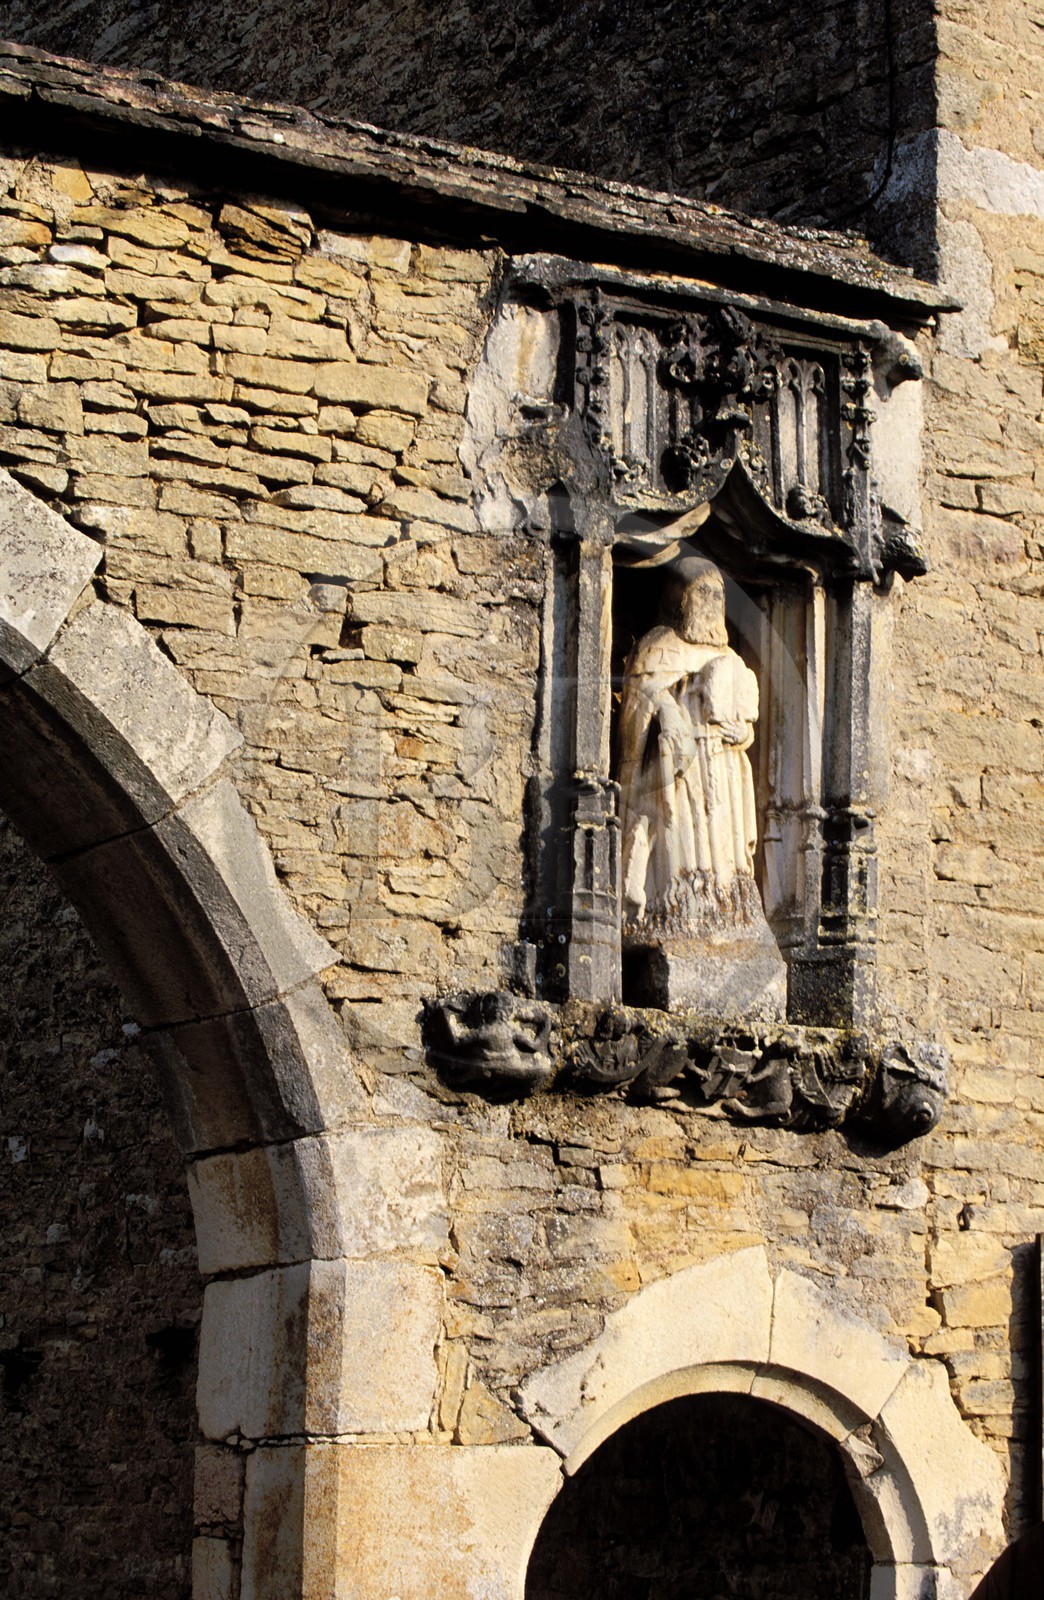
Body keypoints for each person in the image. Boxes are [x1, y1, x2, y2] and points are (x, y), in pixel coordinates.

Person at [618, 560, 762, 944]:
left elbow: (744, 717)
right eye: (702, 592)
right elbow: (638, 703)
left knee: (723, 848)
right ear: (679, 597)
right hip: (680, 768)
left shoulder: (731, 657)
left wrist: (743, 734)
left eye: (718, 595)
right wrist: (664, 705)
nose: (712, 603)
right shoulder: (658, 647)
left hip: (723, 770)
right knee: (679, 834)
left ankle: (724, 915)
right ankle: (671, 910)